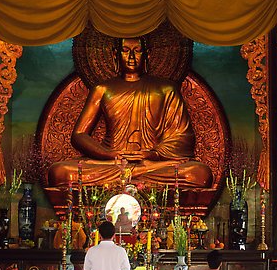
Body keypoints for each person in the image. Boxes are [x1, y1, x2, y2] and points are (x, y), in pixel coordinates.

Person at [48, 36, 213, 188]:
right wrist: (108, 155)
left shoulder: (166, 89)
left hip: (149, 163)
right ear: (115, 56)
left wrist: (151, 155)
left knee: (198, 174)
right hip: (113, 162)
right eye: (125, 51)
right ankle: (134, 173)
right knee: (60, 172)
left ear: (147, 55)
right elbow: (79, 135)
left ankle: (137, 172)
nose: (132, 57)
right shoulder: (103, 89)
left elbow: (182, 137)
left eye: (137, 51)